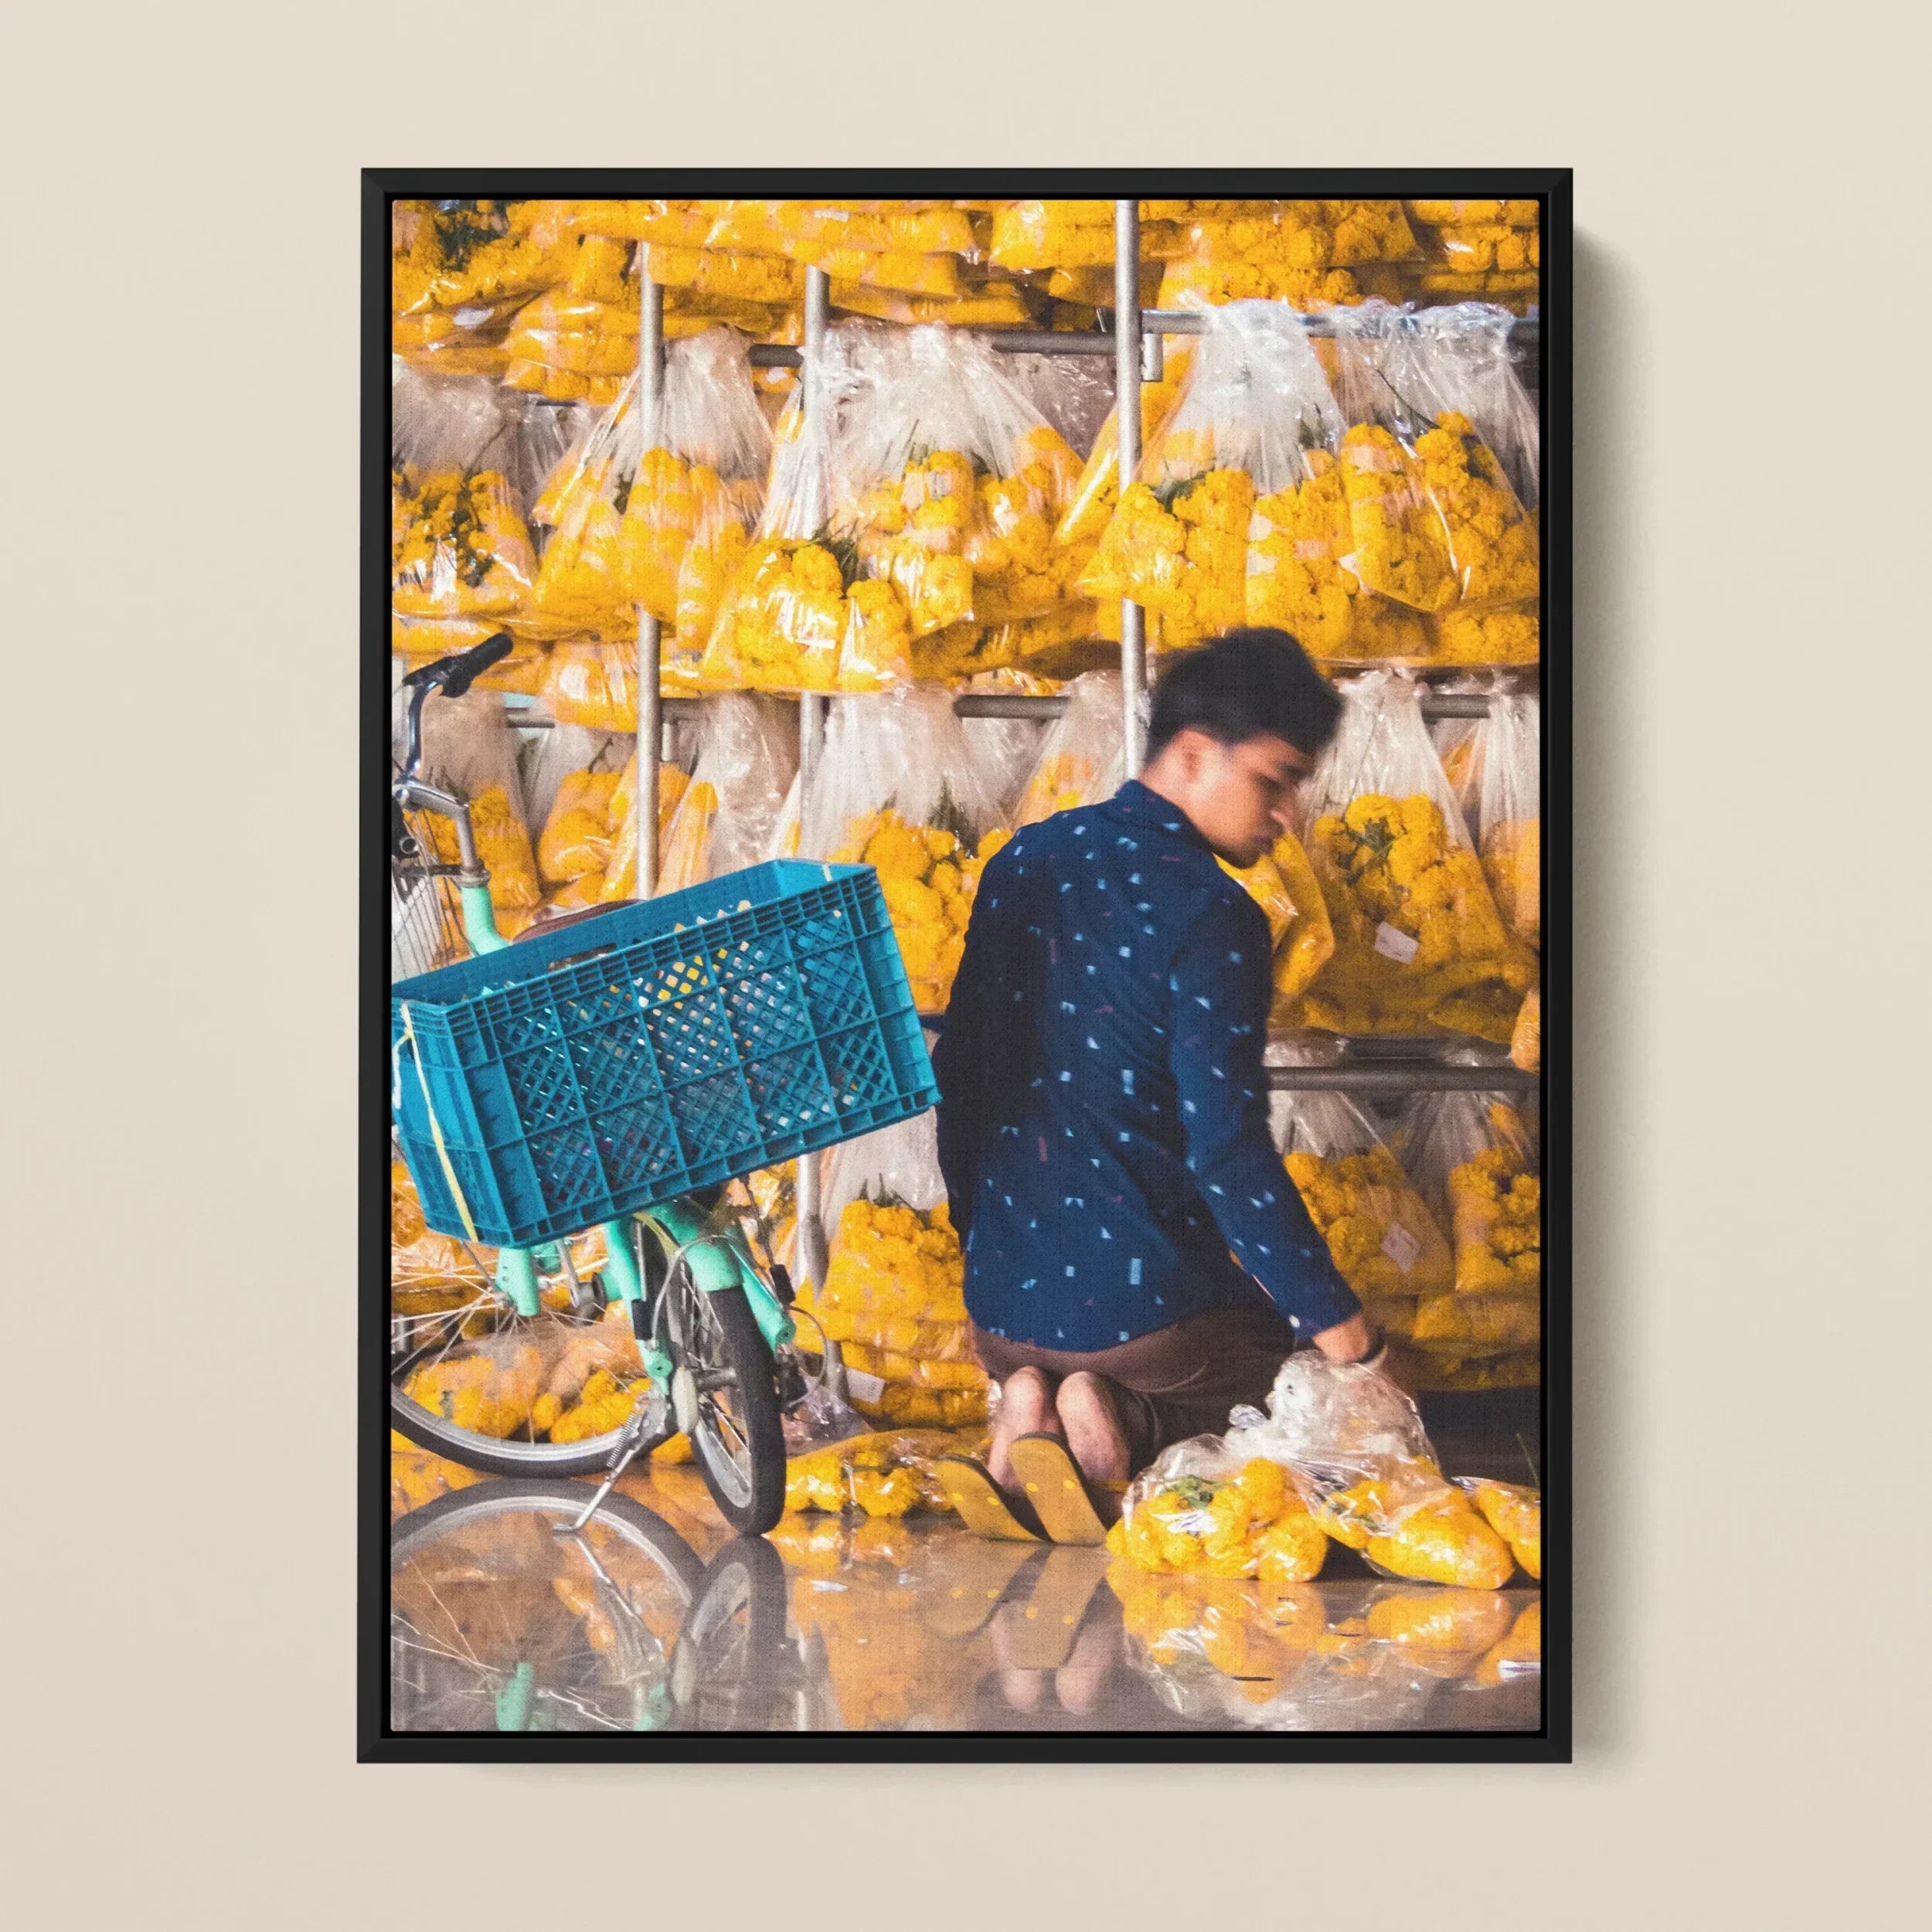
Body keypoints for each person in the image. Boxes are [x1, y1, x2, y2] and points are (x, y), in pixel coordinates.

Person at [934, 628, 1382, 1509]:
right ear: (1190, 754)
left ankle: (1028, 1399)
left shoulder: (1020, 860)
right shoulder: (1215, 910)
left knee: (1097, 1322)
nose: (1288, 813)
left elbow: (960, 1081)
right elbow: (1228, 1154)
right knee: (1276, 1382)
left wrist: (978, 1245)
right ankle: (1129, 1424)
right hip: (1146, 1324)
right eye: (1275, 780)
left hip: (1000, 1308)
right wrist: (1349, 1341)